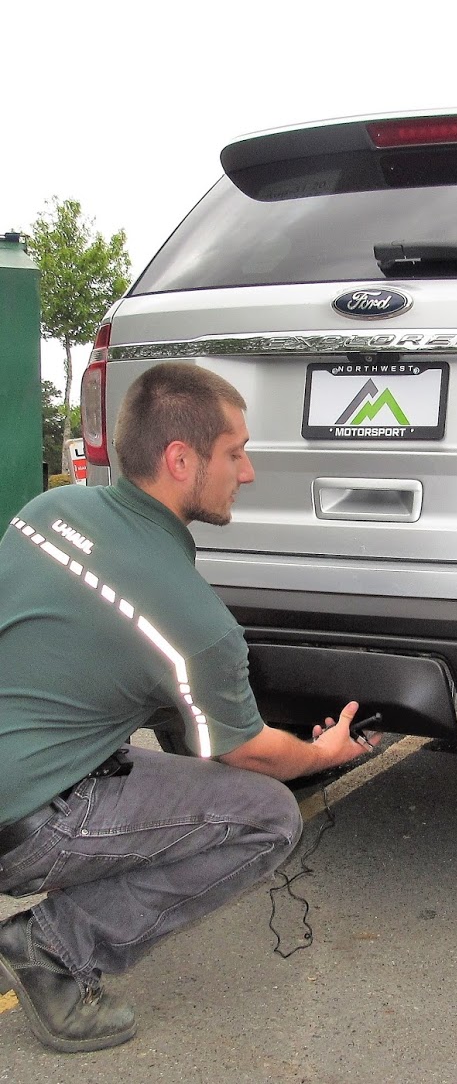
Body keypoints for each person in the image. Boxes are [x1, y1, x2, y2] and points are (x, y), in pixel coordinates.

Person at [0, 362, 377, 1054]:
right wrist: (321, 754)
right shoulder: (195, 625)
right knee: (267, 817)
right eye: (235, 452)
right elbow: (249, 753)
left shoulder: (45, 514)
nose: (249, 471)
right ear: (181, 459)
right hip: (25, 825)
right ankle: (54, 948)